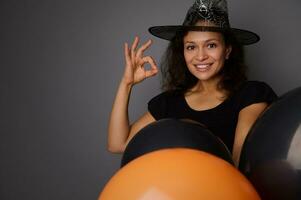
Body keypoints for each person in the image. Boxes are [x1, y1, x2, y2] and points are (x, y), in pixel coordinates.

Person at [107, 0, 277, 166]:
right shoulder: (170, 102)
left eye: (211, 45)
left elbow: (238, 163)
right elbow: (118, 144)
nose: (200, 56)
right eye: (191, 47)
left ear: (227, 51)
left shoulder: (252, 94)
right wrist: (127, 84)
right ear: (183, 52)